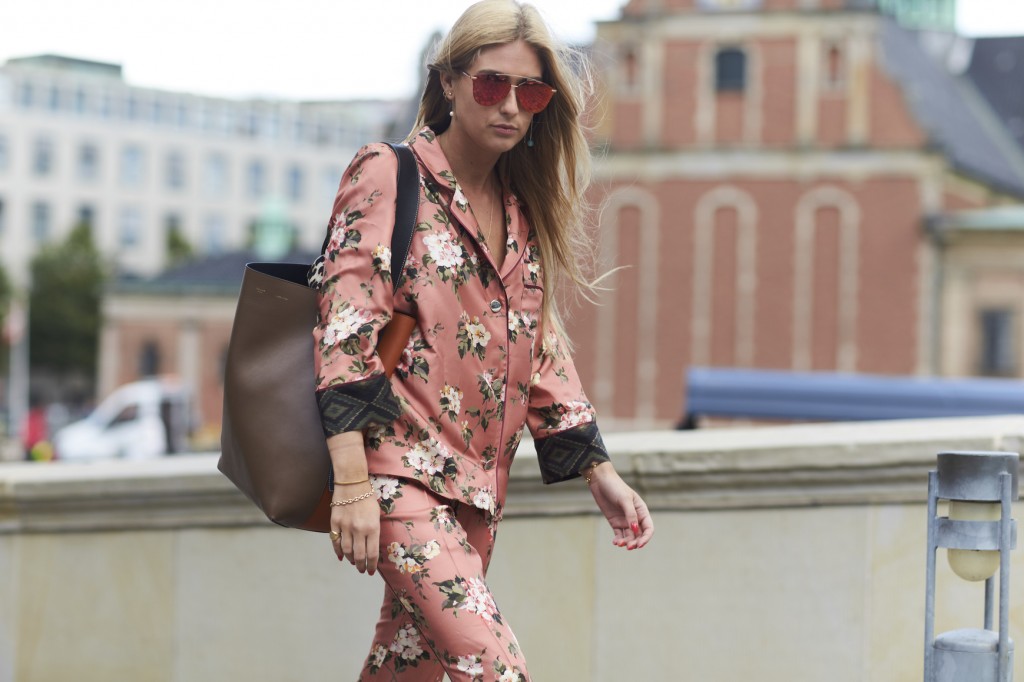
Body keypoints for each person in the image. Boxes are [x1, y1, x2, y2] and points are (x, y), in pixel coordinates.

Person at [313, 2, 654, 679]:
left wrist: (599, 470)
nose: (511, 108)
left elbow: (538, 345)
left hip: (477, 489)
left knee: (406, 668)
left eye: (530, 93)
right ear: (449, 81)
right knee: (493, 668)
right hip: (397, 477)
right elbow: (346, 324)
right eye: (492, 84)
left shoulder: (520, 209)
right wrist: (351, 484)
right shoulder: (389, 173)